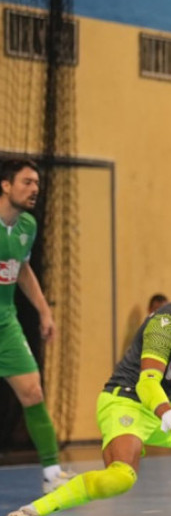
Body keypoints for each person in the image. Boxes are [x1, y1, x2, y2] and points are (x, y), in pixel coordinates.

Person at [2, 258, 171, 516]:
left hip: (164, 402)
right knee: (120, 478)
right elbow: (147, 383)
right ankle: (30, 511)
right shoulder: (166, 323)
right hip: (125, 401)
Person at [0, 159, 70, 494]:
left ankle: (52, 472)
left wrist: (44, 311)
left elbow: (22, 269)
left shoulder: (27, 224)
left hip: (6, 322)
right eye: (27, 182)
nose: (35, 189)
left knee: (33, 391)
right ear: (5, 185)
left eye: (37, 184)